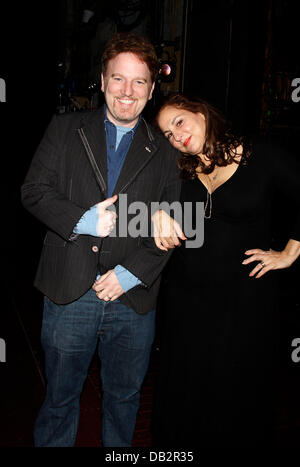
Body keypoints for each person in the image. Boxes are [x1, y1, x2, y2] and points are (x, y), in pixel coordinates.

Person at [21, 32, 181, 447]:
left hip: (132, 298)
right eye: (118, 79)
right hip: (69, 290)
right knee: (60, 399)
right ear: (103, 80)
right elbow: (33, 190)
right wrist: (81, 220)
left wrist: (129, 274)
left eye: (139, 82)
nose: (127, 92)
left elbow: (173, 224)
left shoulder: (164, 151)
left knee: (124, 401)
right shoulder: (65, 128)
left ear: (151, 88)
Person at [151, 93, 300, 448]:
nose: (176, 136)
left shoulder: (261, 155)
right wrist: (156, 212)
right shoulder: (175, 167)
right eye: (168, 134)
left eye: (179, 122)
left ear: (201, 112)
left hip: (245, 300)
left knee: (237, 390)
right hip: (187, 299)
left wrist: (291, 251)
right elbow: (138, 197)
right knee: (187, 390)